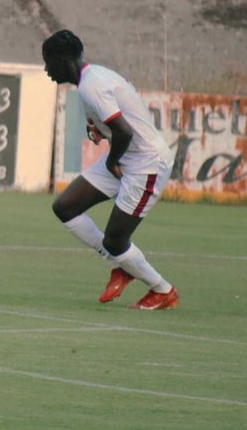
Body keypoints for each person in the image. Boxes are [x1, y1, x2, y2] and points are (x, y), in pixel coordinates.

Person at [41, 29, 179, 310]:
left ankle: (162, 290)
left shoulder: (92, 85)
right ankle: (121, 265)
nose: (46, 70)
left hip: (145, 164)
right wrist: (100, 132)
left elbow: (124, 132)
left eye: (48, 62)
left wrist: (110, 160)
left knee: (116, 240)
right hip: (126, 158)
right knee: (66, 207)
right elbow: (120, 123)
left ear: (62, 59)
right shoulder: (91, 80)